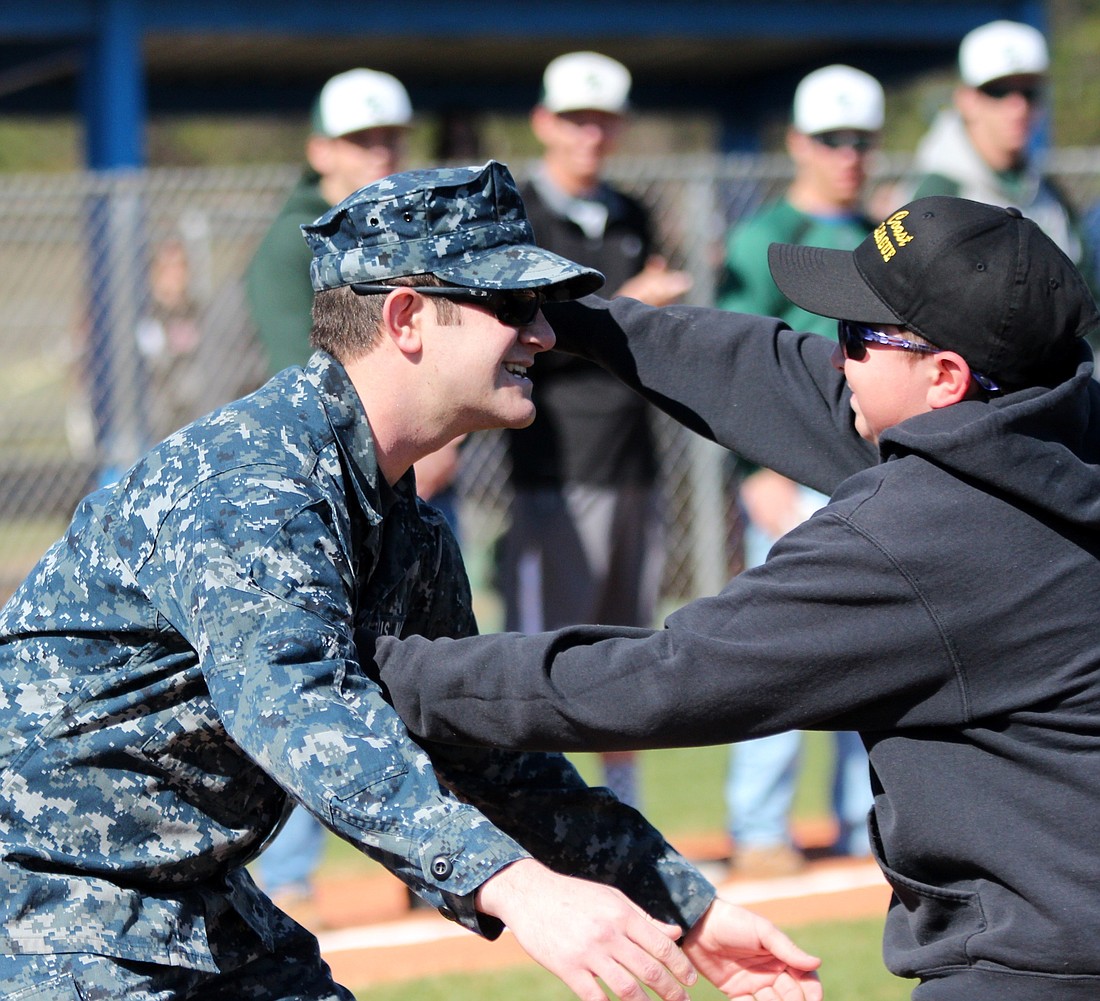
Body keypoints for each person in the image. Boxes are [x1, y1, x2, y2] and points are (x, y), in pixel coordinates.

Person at [0, 160, 823, 1001]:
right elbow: (300, 706)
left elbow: (481, 756)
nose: (541, 333)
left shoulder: (403, 524)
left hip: (183, 900)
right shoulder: (252, 485)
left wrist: (685, 906)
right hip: (42, 899)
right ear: (406, 318)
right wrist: (519, 888)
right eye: (510, 305)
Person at [374, 195, 1100, 1000]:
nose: (835, 356)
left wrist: (388, 671)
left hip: (1038, 970)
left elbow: (665, 678)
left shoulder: (918, 540)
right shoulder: (1055, 437)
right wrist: (559, 315)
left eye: (859, 337)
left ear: (945, 377)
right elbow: (771, 375)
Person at [244, 68, 458, 917]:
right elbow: (299, 371)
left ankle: (426, 856)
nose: (380, 154)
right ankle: (293, 874)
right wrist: (393, 450)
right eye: (362, 140)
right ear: (321, 150)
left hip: (417, 478)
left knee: (417, 667)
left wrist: (438, 442)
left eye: (391, 139)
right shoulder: (293, 241)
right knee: (307, 667)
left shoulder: (407, 227)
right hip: (324, 492)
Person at [499, 51, 692, 809]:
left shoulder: (630, 214)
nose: (590, 136)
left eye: (602, 120)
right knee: (549, 647)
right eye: (575, 119)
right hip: (556, 467)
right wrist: (627, 303)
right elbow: (524, 336)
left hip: (632, 461)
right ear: (545, 123)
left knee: (626, 645)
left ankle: (621, 802)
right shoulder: (524, 217)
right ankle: (546, 804)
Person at [716, 64, 881, 877]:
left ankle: (867, 822)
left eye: (861, 140)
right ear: (797, 142)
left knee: (877, 649)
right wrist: (753, 466)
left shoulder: (889, 238)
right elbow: (736, 361)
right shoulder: (763, 235)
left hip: (871, 471)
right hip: (790, 471)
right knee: (777, 649)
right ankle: (757, 824)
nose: (847, 154)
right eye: (831, 138)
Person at [909, 20, 1087, 267]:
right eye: (999, 91)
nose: (1018, 107)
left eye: (1029, 92)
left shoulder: (1052, 197)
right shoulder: (937, 196)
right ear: (966, 100)